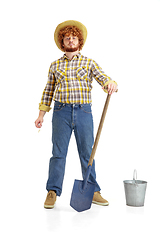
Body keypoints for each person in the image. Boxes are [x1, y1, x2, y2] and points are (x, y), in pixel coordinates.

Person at [35, 20, 117, 209]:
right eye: (67, 38)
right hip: (60, 112)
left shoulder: (89, 62)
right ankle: (52, 191)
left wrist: (110, 83)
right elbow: (48, 91)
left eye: (74, 38)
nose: (71, 41)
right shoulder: (55, 65)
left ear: (79, 41)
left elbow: (103, 78)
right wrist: (41, 115)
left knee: (87, 153)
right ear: (62, 43)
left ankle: (93, 190)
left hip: (83, 112)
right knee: (58, 154)